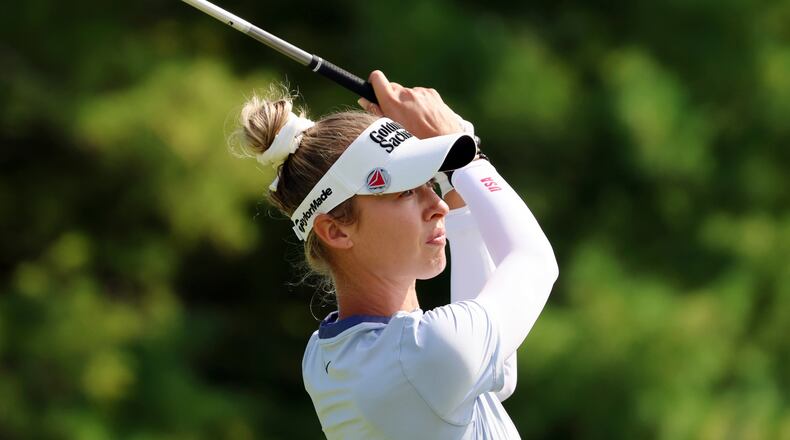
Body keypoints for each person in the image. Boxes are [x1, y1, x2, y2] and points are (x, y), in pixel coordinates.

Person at [234, 71, 559, 439]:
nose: (438, 206)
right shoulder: (422, 356)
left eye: (430, 182)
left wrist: (456, 165)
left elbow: (494, 371)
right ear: (336, 230)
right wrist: (470, 156)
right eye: (405, 192)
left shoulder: (329, 356)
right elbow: (534, 259)